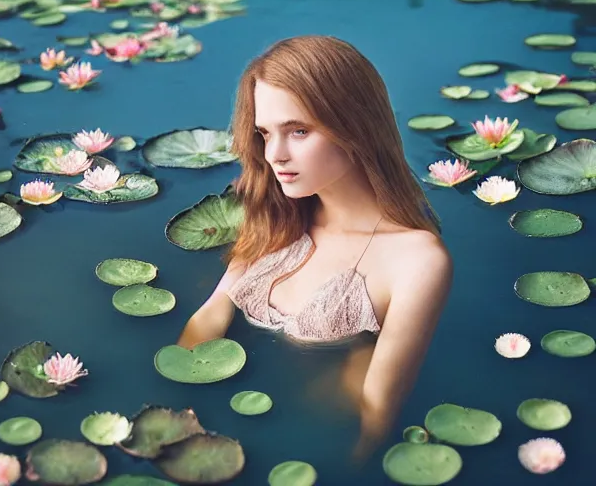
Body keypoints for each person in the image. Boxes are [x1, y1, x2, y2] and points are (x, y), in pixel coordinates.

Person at [176, 35, 453, 459]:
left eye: (299, 131)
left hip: (308, 441)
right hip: (214, 428)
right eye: (264, 133)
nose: (274, 155)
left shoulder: (417, 260)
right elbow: (211, 315)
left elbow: (377, 407)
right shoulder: (276, 217)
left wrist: (352, 466)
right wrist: (177, 426)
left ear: (356, 126)